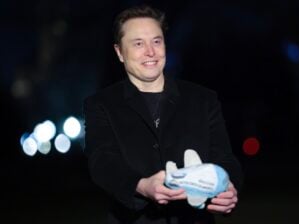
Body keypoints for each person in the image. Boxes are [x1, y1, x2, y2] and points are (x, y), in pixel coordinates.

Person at [83, 5, 243, 224]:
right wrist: (141, 185)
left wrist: (229, 187)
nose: (150, 51)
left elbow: (224, 157)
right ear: (119, 52)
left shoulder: (203, 99)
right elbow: (102, 162)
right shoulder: (101, 105)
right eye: (138, 43)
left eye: (156, 41)